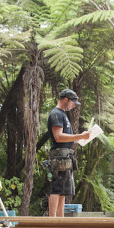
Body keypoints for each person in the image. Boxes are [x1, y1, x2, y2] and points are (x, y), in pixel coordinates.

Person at [45, 89, 91, 217]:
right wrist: (79, 136)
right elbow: (58, 136)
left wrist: (80, 139)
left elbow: (66, 139)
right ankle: (52, 219)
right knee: (57, 187)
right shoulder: (56, 114)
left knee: (63, 191)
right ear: (65, 99)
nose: (74, 105)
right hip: (60, 156)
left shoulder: (63, 115)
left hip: (66, 155)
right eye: (73, 102)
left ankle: (61, 219)